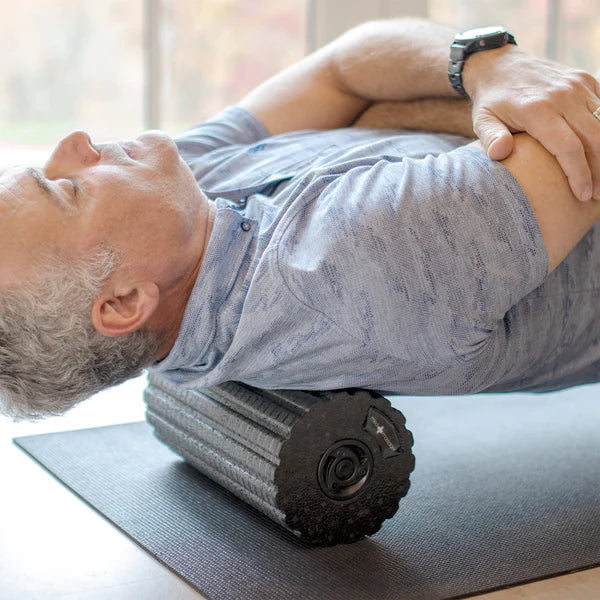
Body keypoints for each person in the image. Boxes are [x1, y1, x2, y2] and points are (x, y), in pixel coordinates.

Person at [2, 19, 600, 421]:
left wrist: (482, 68)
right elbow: (582, 130)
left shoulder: (177, 213)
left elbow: (345, 61)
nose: (76, 141)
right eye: (66, 189)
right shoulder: (338, 264)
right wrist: (483, 81)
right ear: (125, 302)